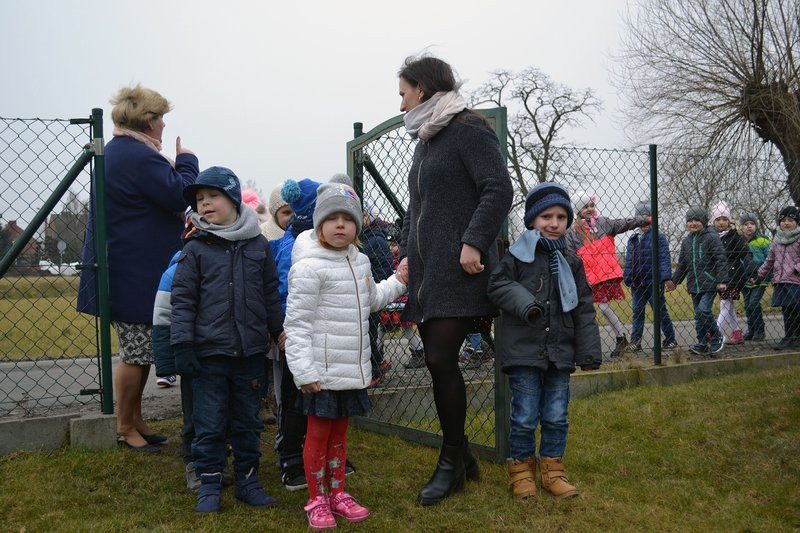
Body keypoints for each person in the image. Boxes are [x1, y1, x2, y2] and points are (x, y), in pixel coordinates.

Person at [396, 55, 513, 505]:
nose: (400, 100)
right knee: (435, 360)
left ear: (422, 89)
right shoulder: (426, 138)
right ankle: (462, 456)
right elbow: (418, 206)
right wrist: (405, 250)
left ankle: (450, 461)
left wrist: (473, 241)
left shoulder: (467, 129)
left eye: (403, 90)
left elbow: (497, 188)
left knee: (440, 358)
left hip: (462, 270)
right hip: (427, 274)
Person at [76, 84, 198, 451]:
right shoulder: (137, 156)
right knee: (135, 353)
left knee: (140, 351)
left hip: (128, 270)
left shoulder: (123, 152)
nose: (163, 125)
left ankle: (135, 420)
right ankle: (125, 426)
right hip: (133, 274)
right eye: (161, 117)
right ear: (148, 120)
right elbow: (181, 193)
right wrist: (188, 160)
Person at [284, 182, 408, 529]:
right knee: (318, 436)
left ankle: (338, 493)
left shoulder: (361, 262)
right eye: (332, 218)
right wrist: (304, 371)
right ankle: (317, 499)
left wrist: (399, 280)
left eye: (348, 219)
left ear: (357, 225)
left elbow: (371, 300)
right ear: (319, 224)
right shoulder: (309, 267)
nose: (340, 225)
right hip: (320, 375)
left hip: (350, 371)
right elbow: (296, 324)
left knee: (340, 437)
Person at [170, 167, 285, 513]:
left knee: (248, 421)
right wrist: (183, 345)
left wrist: (278, 332)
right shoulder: (195, 249)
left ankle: (248, 480)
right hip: (209, 356)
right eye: (200, 200)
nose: (204, 205)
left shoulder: (258, 244)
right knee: (209, 422)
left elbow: (269, 294)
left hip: (250, 353)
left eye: (212, 197)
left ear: (234, 200)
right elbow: (182, 300)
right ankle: (209, 483)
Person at [488, 183, 601, 499]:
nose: (554, 223)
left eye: (561, 217)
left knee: (556, 415)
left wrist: (589, 352)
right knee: (524, 416)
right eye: (546, 216)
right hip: (524, 351)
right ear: (532, 220)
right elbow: (497, 286)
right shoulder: (516, 256)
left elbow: (583, 307)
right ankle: (521, 472)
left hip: (560, 353)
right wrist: (526, 303)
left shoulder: (571, 260)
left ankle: (553, 471)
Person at [566, 192, 651, 358]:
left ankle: (621, 338)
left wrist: (645, 219)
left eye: (591, 205)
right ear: (578, 210)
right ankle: (583, 344)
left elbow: (625, 223)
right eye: (585, 207)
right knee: (583, 309)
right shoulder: (573, 232)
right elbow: (570, 254)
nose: (590, 209)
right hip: (588, 277)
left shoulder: (604, 223)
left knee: (604, 307)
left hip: (605, 274)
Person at [667, 206, 728, 355]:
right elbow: (682, 265)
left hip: (709, 282)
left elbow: (721, 259)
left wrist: (722, 280)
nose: (693, 223)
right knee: (698, 316)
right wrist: (674, 281)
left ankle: (716, 337)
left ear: (704, 222)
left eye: (697, 220)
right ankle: (702, 342)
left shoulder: (711, 237)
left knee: (704, 310)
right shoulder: (686, 242)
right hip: (694, 284)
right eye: (690, 221)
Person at [622, 201, 677, 352]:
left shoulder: (658, 237)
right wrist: (627, 276)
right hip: (637, 284)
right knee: (637, 312)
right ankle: (636, 341)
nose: (645, 222)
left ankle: (670, 339)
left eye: (648, 219)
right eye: (641, 219)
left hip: (653, 282)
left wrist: (666, 278)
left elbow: (664, 258)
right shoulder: (633, 239)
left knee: (660, 311)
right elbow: (629, 260)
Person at [753, 206, 800, 349]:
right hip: (780, 280)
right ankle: (789, 336)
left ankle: (797, 337)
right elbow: (769, 260)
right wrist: (760, 275)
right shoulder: (776, 240)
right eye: (783, 220)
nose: (786, 223)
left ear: (797, 222)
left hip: (795, 280)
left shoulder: (798, 238)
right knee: (786, 309)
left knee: (796, 309)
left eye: (791, 220)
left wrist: (796, 269)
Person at [360, 202, 396, 386]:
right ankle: (378, 363)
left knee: (370, 333)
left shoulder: (372, 239)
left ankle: (374, 370)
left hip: (374, 290)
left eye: (364, 215)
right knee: (372, 332)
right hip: (374, 288)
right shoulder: (372, 237)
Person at [711, 201, 755, 345]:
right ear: (713, 221)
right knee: (728, 306)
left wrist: (752, 272)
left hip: (734, 277)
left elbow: (746, 254)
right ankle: (737, 332)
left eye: (725, 219)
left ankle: (715, 333)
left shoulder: (735, 237)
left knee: (725, 304)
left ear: (729, 221)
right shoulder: (712, 237)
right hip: (719, 277)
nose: (721, 222)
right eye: (718, 220)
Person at [382, 233, 425, 368]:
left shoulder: (407, 262)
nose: (392, 248)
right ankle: (377, 353)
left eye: (395, 245)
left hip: (404, 301)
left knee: (406, 328)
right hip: (393, 301)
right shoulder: (392, 261)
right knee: (381, 327)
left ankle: (419, 352)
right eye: (391, 246)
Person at [740, 212, 771, 341]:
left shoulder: (763, 240)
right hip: (744, 278)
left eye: (752, 224)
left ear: (756, 226)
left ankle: (759, 330)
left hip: (760, 277)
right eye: (746, 224)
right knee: (747, 304)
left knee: (753, 303)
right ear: (741, 227)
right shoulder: (739, 241)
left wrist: (767, 274)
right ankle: (751, 329)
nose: (749, 226)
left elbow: (770, 258)